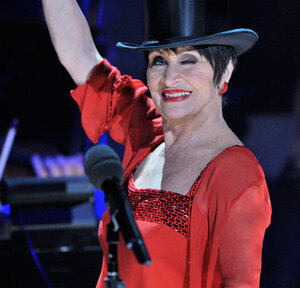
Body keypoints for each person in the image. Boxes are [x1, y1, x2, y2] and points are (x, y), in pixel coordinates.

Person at [42, 0, 272, 287]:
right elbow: (80, 55)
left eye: (188, 60)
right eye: (159, 61)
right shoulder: (147, 131)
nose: (170, 78)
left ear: (225, 70)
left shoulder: (237, 173)